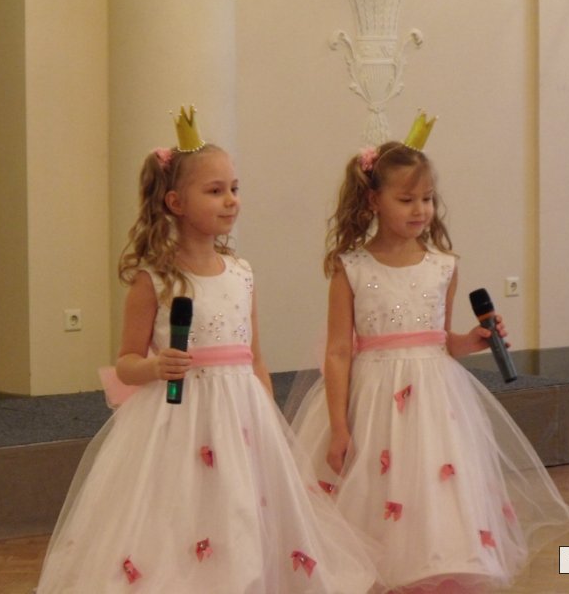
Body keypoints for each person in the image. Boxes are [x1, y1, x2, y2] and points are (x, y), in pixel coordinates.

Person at [37, 106, 380, 593]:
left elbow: (254, 358)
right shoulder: (153, 279)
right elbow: (126, 363)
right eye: (215, 191)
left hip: (242, 417)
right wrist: (156, 365)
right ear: (175, 201)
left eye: (234, 188)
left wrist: (269, 420)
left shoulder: (241, 273)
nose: (231, 200)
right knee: (184, 510)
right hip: (177, 422)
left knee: (241, 509)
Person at [290, 112, 569, 593]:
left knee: (432, 495)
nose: (420, 210)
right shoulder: (351, 267)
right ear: (373, 200)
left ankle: (431, 571)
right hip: (373, 403)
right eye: (406, 200)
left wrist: (471, 340)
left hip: (434, 405)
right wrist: (339, 426)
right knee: (377, 494)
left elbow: (439, 340)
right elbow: (338, 352)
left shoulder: (443, 266)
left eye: (426, 199)